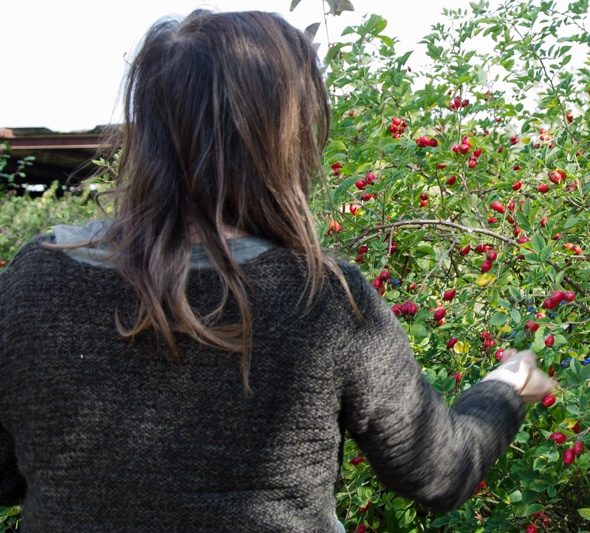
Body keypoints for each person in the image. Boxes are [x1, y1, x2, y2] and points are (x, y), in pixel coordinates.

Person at [0, 9, 554, 532]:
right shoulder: (323, 300)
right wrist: (508, 386)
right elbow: (438, 470)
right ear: (284, 138)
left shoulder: (36, 279)